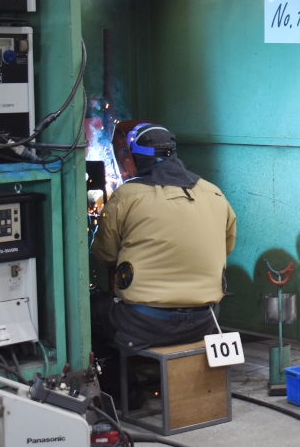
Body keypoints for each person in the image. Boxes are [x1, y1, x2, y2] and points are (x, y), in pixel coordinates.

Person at [90, 122, 237, 399]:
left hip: (142, 324)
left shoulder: (127, 195)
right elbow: (225, 247)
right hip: (206, 321)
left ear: (133, 158)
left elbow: (105, 254)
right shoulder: (214, 193)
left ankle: (124, 392)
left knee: (88, 311)